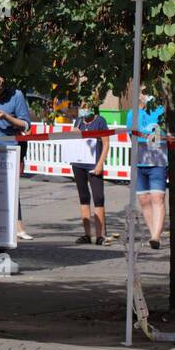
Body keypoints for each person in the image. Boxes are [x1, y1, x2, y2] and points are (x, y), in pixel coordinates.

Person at [0, 75, 33, 240]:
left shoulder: (16, 95)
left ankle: (19, 227)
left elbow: (26, 125)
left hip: (9, 152)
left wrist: (7, 117)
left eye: (1, 80)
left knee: (10, 188)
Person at [125, 84, 167, 249]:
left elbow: (160, 137)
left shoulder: (159, 112)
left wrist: (149, 137)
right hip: (139, 161)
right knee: (143, 200)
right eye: (143, 92)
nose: (146, 95)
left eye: (148, 92)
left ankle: (156, 236)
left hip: (158, 161)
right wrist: (146, 137)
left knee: (158, 198)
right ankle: (152, 234)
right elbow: (132, 137)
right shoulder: (132, 114)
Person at [69, 100, 109, 244]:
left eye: (86, 106)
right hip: (79, 164)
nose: (83, 109)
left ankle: (100, 235)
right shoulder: (78, 121)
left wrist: (100, 164)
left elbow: (106, 144)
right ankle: (87, 235)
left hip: (94, 164)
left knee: (98, 198)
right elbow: (73, 141)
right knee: (84, 197)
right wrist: (74, 133)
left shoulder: (100, 121)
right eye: (81, 107)